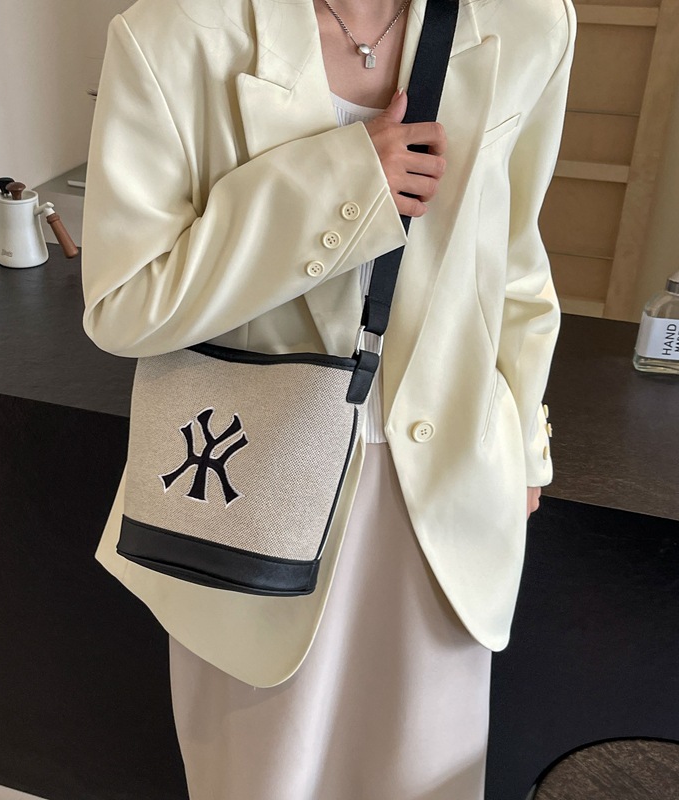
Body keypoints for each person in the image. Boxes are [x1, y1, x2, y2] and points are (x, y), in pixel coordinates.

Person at [81, 0, 577, 796]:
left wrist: (523, 448)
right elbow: (125, 302)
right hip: (253, 489)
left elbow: (517, 262)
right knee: (261, 775)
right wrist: (343, 183)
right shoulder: (173, 34)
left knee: (425, 776)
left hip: (448, 489)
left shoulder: (527, 22)